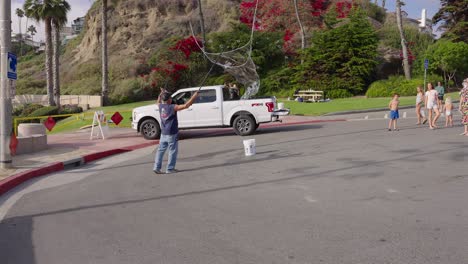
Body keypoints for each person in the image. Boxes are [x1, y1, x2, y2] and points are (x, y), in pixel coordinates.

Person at [153, 90, 199, 174]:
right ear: (169, 100)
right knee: (172, 151)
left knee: (160, 150)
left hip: (163, 133)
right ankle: (170, 169)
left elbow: (158, 100)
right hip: (172, 133)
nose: (171, 99)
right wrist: (194, 97)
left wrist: (161, 93)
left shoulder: (160, 106)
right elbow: (186, 105)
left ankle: (156, 167)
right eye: (170, 98)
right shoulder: (172, 107)